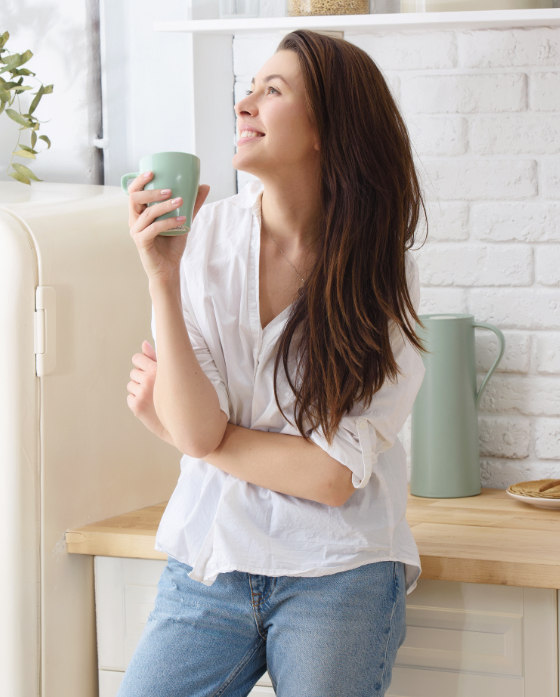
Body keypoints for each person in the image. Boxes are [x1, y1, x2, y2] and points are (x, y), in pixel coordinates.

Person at [121, 29, 428, 697]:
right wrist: (162, 278)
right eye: (248, 87)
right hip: (212, 559)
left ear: (326, 130)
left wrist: (185, 433)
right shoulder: (203, 243)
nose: (245, 103)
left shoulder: (380, 282)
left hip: (338, 566)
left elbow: (330, 479)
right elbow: (204, 433)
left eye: (273, 90)